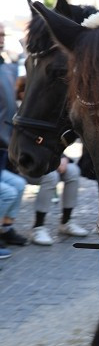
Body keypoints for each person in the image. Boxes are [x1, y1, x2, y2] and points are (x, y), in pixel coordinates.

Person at [0, 25, 27, 257]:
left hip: (5, 145)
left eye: (1, 35)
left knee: (17, 186)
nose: (1, 39)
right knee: (7, 191)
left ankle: (5, 229)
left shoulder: (7, 68)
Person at [28, 156, 89, 245]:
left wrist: (64, 158)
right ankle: (38, 227)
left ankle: (66, 222)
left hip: (46, 162)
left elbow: (53, 144)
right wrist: (51, 163)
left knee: (73, 170)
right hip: (23, 164)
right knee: (51, 175)